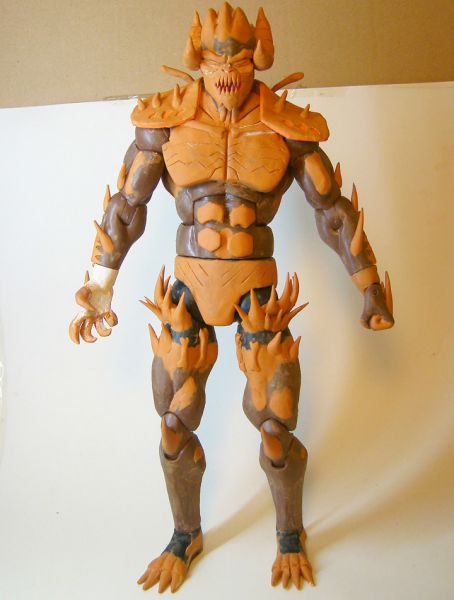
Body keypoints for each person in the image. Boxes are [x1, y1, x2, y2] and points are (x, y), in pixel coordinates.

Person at [70, 3, 394, 592]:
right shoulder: (164, 123)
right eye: (217, 60)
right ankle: (184, 535)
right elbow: (127, 206)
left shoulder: (285, 126)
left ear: (257, 60)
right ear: (199, 59)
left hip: (255, 289)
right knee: (174, 422)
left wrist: (367, 285)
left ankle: (289, 535)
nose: (227, 72)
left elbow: (332, 210)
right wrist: (99, 282)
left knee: (275, 425)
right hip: (188, 288)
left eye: (239, 60)